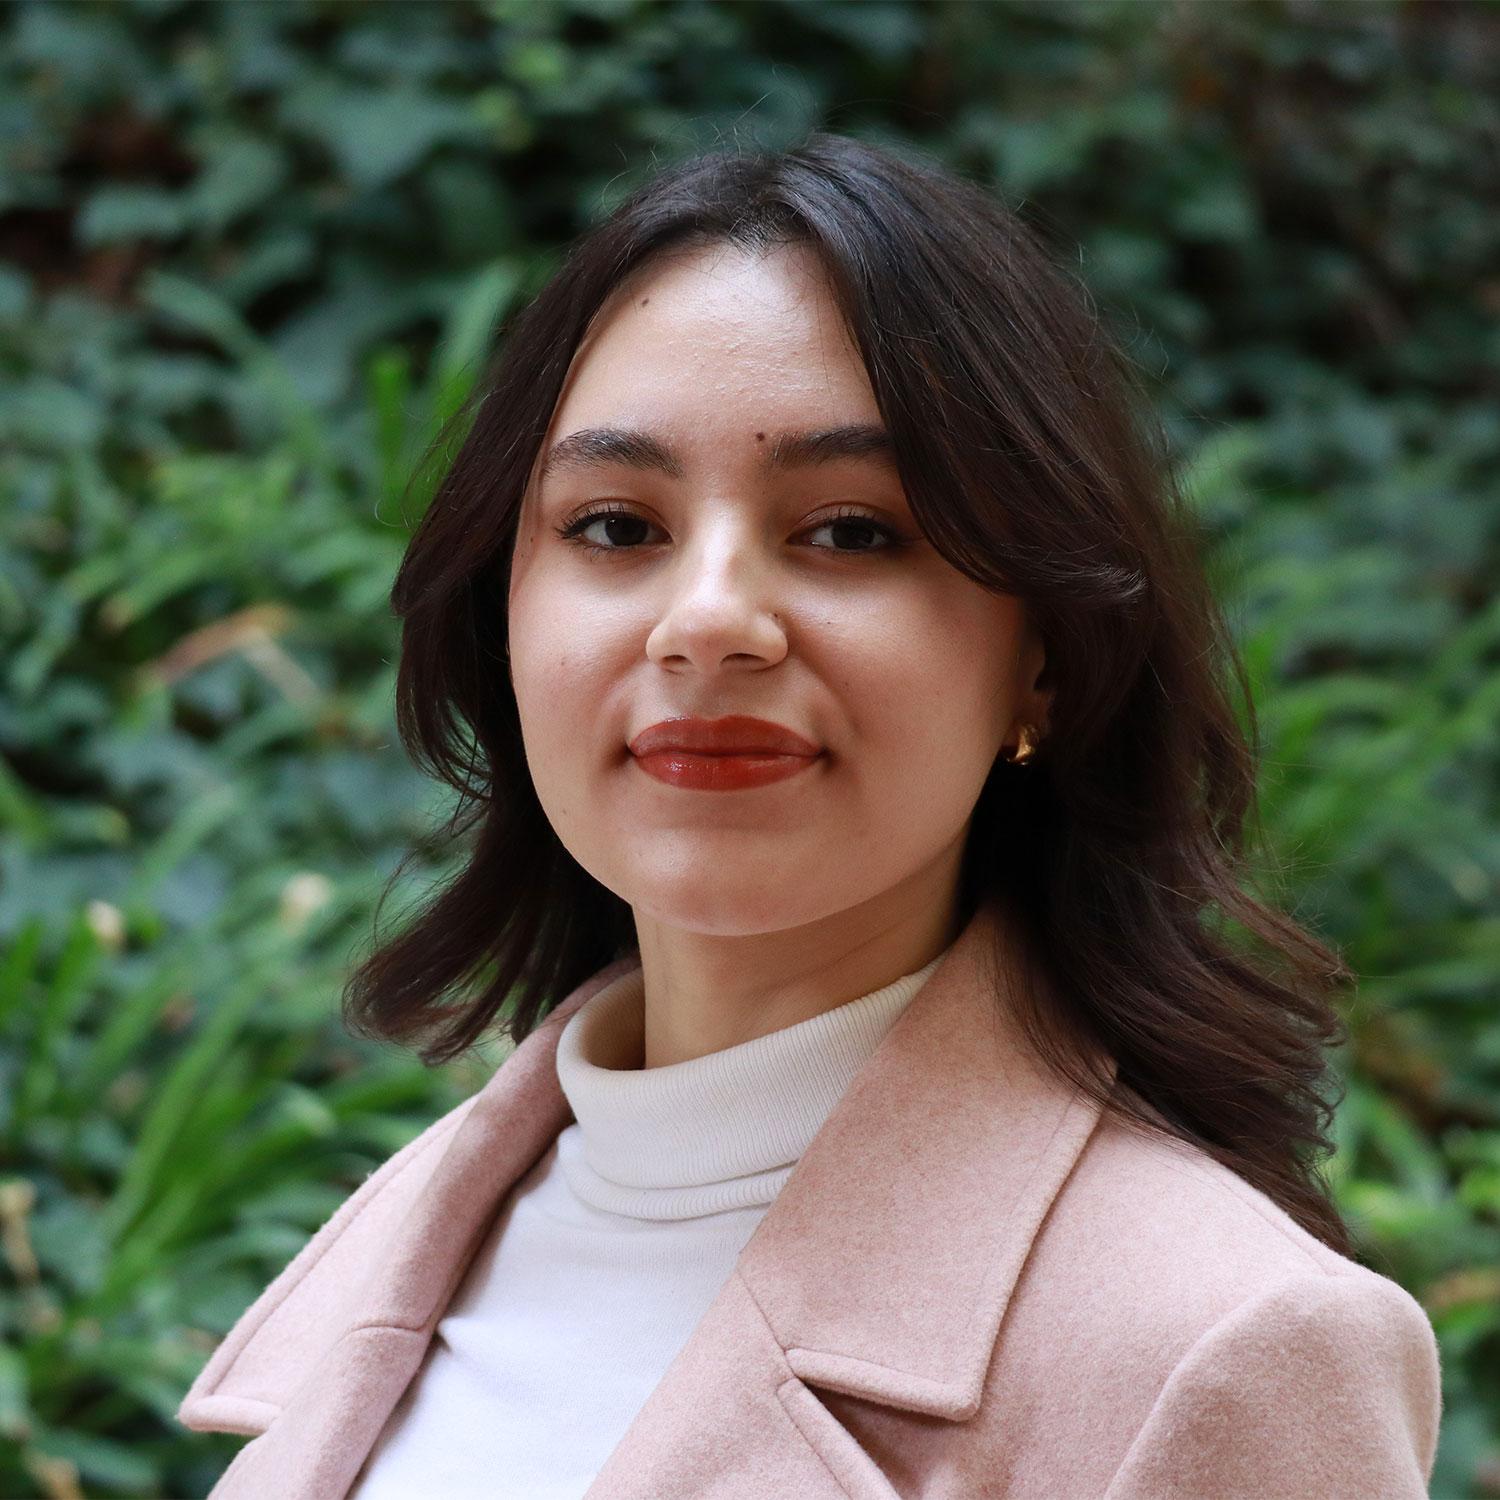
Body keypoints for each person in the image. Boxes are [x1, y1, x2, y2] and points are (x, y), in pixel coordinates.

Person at [176, 135, 1441, 1500]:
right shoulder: (404, 1253)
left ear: (1048, 657)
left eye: (849, 531)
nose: (708, 619)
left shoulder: (1221, 1347)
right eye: (614, 526)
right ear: (504, 619)